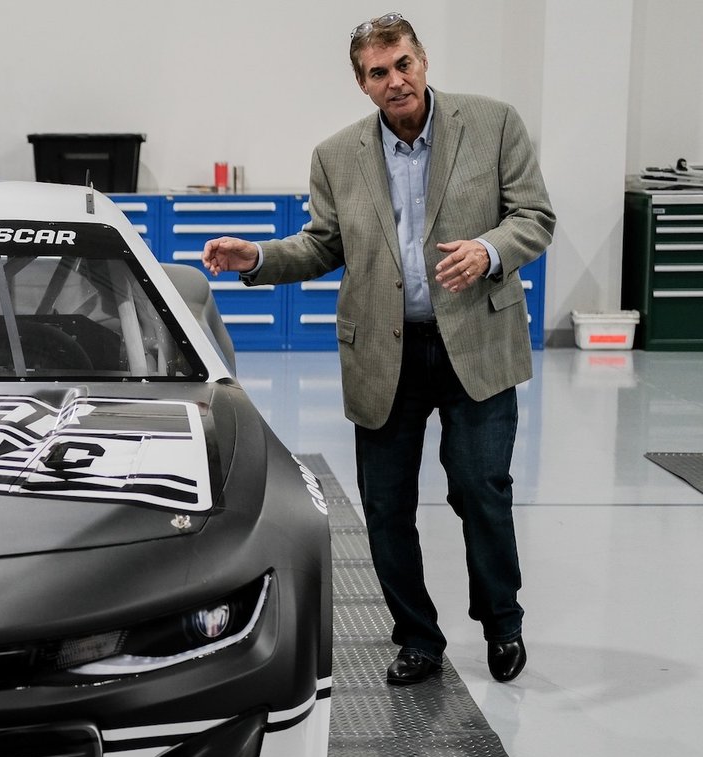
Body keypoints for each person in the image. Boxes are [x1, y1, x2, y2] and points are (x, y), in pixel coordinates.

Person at [202, 12, 554, 686]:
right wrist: (256, 257)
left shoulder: (493, 124)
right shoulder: (337, 156)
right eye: (378, 73)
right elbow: (321, 245)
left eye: (403, 65)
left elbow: (533, 217)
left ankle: (502, 623)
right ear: (361, 84)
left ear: (421, 60)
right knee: (386, 504)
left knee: (482, 490)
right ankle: (417, 638)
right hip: (383, 355)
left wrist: (487, 252)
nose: (396, 82)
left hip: (474, 343)